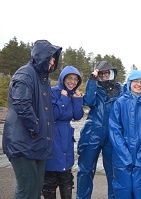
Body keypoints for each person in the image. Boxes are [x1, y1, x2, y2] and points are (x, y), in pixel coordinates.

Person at [2, 40, 62, 198]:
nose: (53, 61)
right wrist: (36, 127)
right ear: (41, 56)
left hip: (37, 143)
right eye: (51, 57)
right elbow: (21, 104)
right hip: (22, 144)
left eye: (55, 59)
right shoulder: (25, 73)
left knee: (35, 189)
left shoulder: (44, 80)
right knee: (26, 189)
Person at [76, 61, 123, 199]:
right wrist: (92, 79)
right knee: (85, 170)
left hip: (112, 136)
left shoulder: (121, 90)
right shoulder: (94, 88)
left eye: (106, 72)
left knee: (113, 172)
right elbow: (88, 102)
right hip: (92, 134)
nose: (103, 75)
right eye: (100, 73)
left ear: (112, 73)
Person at [109, 70, 141, 199]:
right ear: (129, 83)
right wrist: (124, 154)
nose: (138, 84)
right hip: (121, 156)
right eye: (136, 81)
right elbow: (114, 130)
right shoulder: (120, 102)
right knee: (123, 188)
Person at [42, 66, 84, 198]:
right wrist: (64, 99)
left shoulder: (73, 94)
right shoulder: (53, 92)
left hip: (67, 138)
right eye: (70, 78)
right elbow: (52, 115)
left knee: (66, 176)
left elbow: (77, 116)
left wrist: (77, 100)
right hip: (53, 135)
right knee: (50, 177)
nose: (73, 82)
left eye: (76, 79)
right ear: (63, 78)